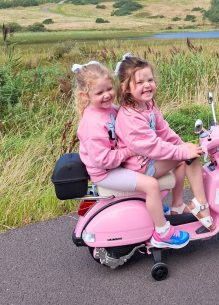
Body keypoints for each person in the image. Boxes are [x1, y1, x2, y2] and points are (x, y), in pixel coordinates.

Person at [72, 60, 190, 249]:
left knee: (173, 162)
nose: (107, 95)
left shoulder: (110, 110)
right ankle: (162, 232)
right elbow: (102, 160)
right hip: (106, 173)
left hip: (118, 165)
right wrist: (130, 152)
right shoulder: (91, 123)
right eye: (99, 92)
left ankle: (162, 209)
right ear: (84, 96)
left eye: (109, 89)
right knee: (150, 184)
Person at [114, 54, 215, 245]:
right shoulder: (130, 117)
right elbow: (153, 146)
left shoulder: (148, 105)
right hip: (140, 166)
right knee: (189, 158)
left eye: (150, 80)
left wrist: (182, 144)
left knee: (185, 154)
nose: (147, 85)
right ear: (126, 88)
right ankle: (201, 205)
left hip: (148, 159)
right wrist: (184, 152)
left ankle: (177, 205)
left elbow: (164, 130)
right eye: (140, 82)